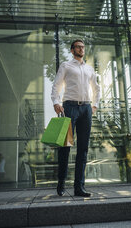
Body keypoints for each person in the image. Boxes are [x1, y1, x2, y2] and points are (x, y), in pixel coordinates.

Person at [51, 39, 100, 197]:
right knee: (65, 147)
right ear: (72, 50)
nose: (81, 49)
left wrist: (95, 105)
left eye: (83, 47)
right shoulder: (66, 65)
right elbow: (57, 85)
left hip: (86, 108)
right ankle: (61, 184)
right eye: (78, 47)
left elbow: (96, 88)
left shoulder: (89, 69)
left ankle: (79, 187)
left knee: (83, 149)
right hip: (69, 107)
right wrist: (56, 102)